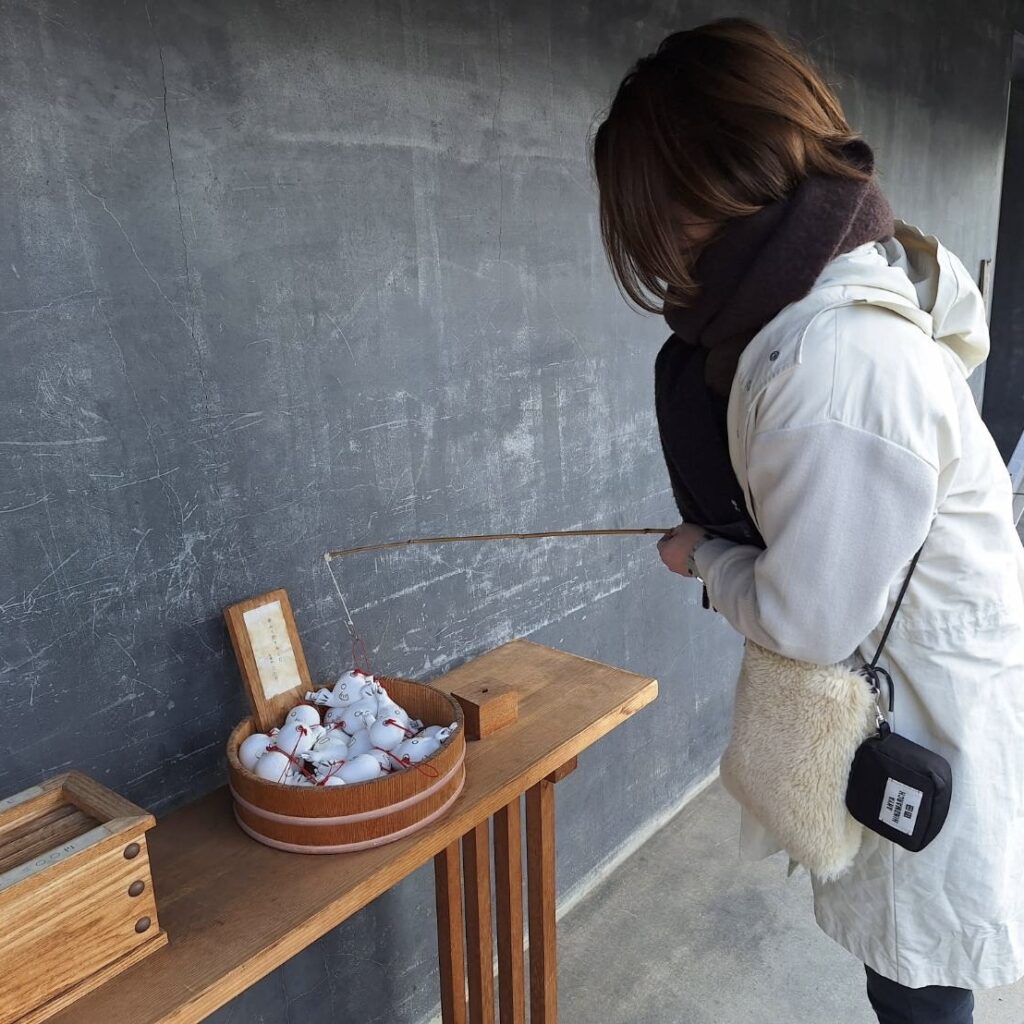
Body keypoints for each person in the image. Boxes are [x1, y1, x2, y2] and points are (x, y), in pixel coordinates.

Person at [591, 17, 1024, 1024]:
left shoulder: (830, 367)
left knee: (916, 977)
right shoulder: (838, 286)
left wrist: (706, 557)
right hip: (931, 674)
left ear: (700, 194)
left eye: (655, 221)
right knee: (911, 964)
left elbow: (807, 622)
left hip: (928, 703)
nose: (660, 256)